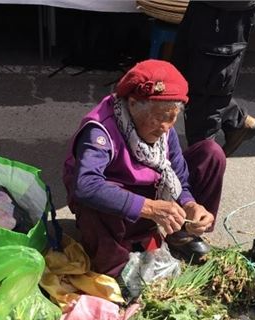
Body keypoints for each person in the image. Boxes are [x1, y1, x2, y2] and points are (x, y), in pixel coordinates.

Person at [63, 59, 226, 277]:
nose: (165, 128)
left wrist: (190, 205)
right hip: (116, 212)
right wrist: (150, 208)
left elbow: (179, 177)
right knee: (97, 196)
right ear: (132, 104)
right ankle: (117, 268)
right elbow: (85, 185)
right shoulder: (100, 130)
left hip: (149, 197)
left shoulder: (165, 130)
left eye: (172, 118)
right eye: (159, 118)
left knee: (211, 153)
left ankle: (181, 233)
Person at [172, 0, 255, 156]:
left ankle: (201, 166)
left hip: (224, 10)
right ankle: (235, 120)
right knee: (184, 75)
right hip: (207, 7)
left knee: (206, 89)